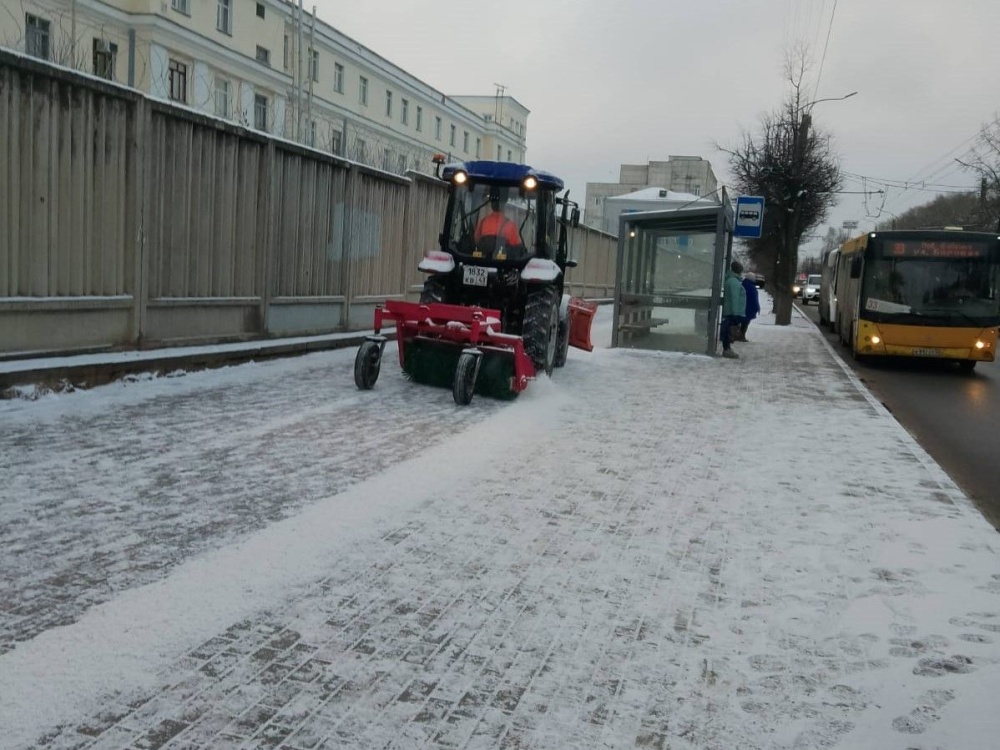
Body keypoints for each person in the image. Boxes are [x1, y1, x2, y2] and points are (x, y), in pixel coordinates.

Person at [474, 191, 522, 256]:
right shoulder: (510, 225)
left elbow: (476, 240)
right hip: (503, 263)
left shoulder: (483, 222)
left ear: (491, 204)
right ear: (503, 204)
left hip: (482, 262)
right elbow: (517, 248)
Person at [720, 260, 747, 359]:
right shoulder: (734, 282)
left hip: (731, 310)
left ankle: (727, 348)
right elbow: (735, 297)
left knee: (729, 330)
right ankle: (727, 349)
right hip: (733, 311)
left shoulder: (731, 280)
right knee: (730, 331)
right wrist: (736, 312)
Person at [737, 271, 761, 341]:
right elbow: (754, 299)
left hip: (743, 307)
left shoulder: (743, 285)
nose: (755, 279)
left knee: (742, 323)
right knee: (745, 323)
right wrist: (757, 307)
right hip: (749, 309)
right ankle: (742, 336)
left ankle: (740, 336)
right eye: (754, 278)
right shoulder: (751, 287)